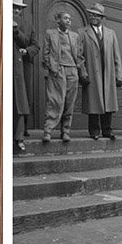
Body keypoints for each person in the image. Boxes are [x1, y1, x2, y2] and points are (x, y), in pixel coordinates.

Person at [42, 10, 88, 144]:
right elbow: (45, 53)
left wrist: (82, 71)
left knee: (69, 101)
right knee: (55, 100)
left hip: (72, 70)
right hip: (58, 70)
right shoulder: (50, 34)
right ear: (58, 20)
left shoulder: (75, 36)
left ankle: (66, 131)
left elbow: (79, 56)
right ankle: (48, 130)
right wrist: (52, 67)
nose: (69, 21)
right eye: (65, 18)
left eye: (69, 19)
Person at [79, 2, 122, 140]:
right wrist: (83, 72)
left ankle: (107, 130)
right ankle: (94, 130)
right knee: (93, 102)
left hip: (108, 72)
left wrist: (118, 75)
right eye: (91, 14)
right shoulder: (82, 32)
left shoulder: (111, 33)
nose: (93, 16)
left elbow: (117, 56)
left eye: (96, 15)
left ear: (102, 18)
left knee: (108, 101)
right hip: (92, 72)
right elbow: (79, 55)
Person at [12, 0, 35, 154]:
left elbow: (29, 42)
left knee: (19, 103)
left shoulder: (26, 24)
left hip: (19, 68)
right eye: (14, 6)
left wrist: (15, 30)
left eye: (19, 8)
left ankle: (18, 139)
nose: (17, 10)